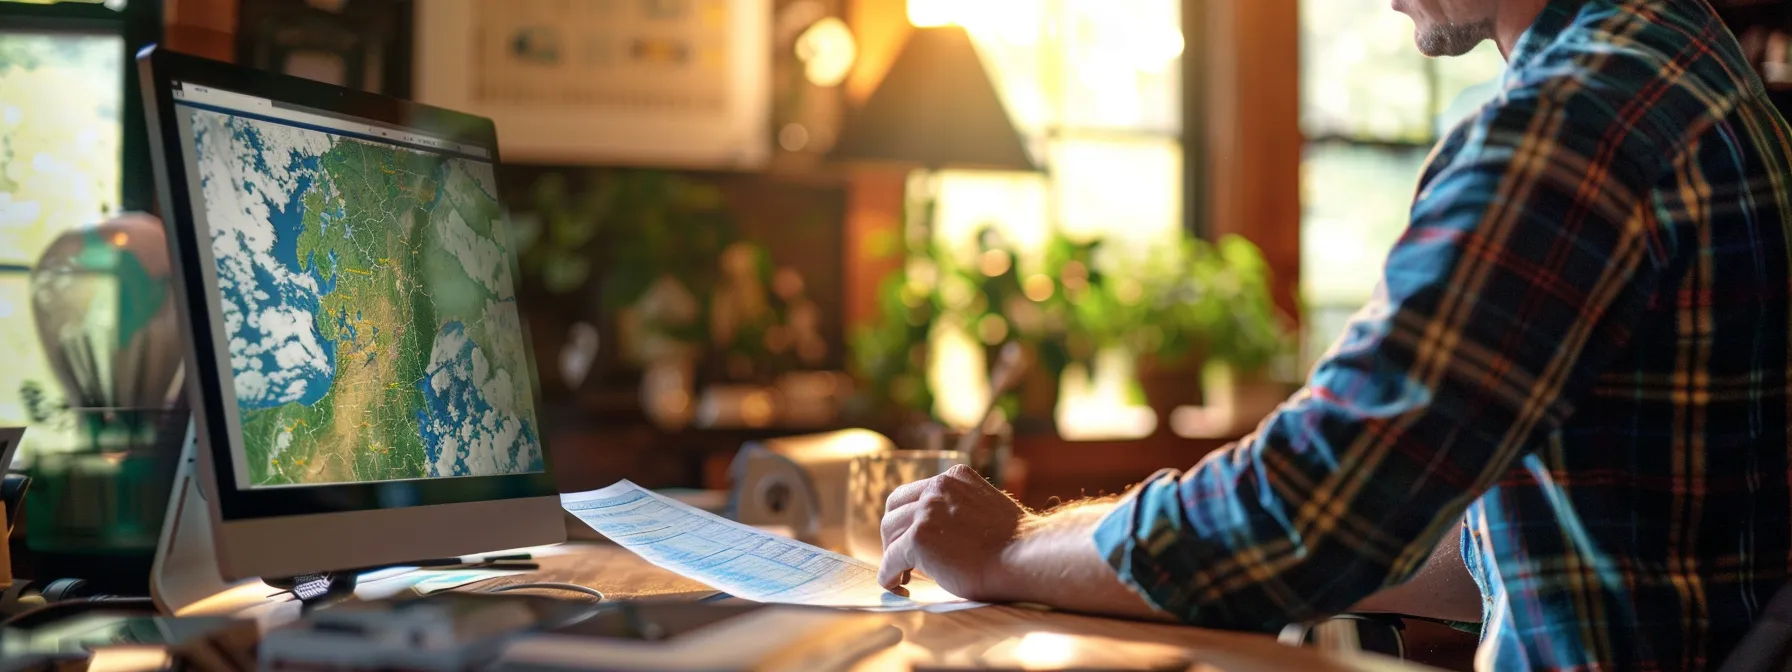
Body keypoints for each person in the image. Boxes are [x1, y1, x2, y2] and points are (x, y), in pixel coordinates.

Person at [876, 0, 1792, 668]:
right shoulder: (1700, 75)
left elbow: (1313, 503)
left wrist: (1009, 551)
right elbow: (1575, 539)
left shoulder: (1569, 126)